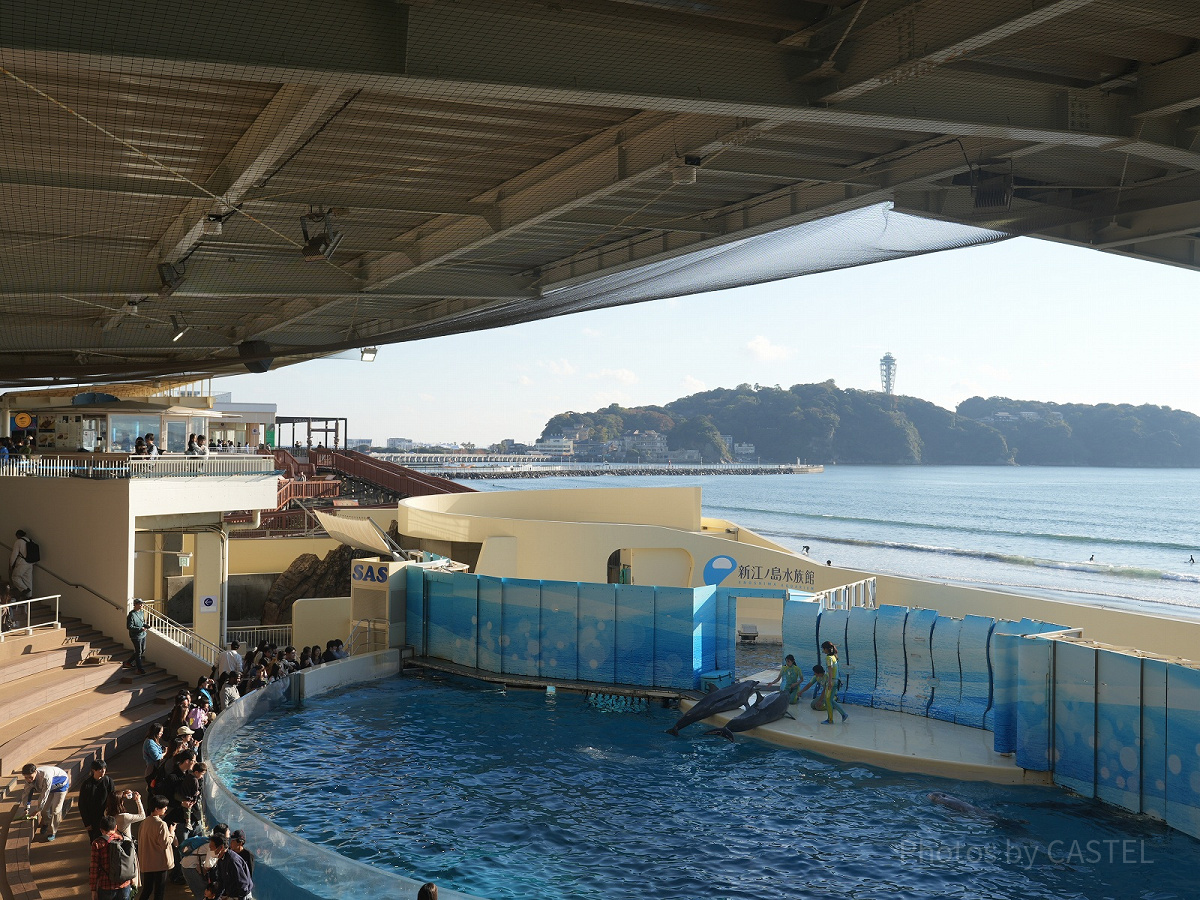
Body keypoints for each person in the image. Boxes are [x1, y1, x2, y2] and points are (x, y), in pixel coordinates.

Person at [137, 796, 175, 900]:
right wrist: (171, 833)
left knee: (147, 889)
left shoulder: (144, 822)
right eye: (164, 807)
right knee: (159, 891)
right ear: (157, 809)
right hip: (159, 863)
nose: (166, 809)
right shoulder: (161, 824)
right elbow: (165, 844)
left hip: (147, 862)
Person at [89, 815, 135, 900]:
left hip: (106, 885)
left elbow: (94, 868)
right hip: (124, 884)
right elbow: (130, 861)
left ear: (101, 830)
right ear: (116, 827)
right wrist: (131, 879)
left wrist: (93, 890)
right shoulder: (124, 840)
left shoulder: (97, 844)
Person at [207, 832, 254, 900]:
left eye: (212, 848)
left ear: (221, 847)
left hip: (241, 896)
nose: (210, 850)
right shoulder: (221, 859)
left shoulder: (233, 861)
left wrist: (241, 898)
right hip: (232, 894)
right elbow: (221, 881)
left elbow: (243, 883)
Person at [79, 758, 116, 841]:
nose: (103, 771)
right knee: (95, 841)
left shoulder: (108, 781)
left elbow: (113, 798)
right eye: (100, 769)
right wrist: (87, 823)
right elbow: (82, 804)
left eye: (104, 769)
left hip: (106, 818)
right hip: (93, 819)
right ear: (93, 770)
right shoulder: (87, 785)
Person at [819, 641, 849, 724]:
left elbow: (830, 670)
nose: (823, 650)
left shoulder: (828, 658)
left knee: (827, 700)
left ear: (826, 649)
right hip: (836, 680)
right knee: (831, 700)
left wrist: (829, 682)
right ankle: (843, 714)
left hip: (832, 681)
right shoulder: (834, 656)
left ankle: (830, 720)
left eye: (823, 649)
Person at [124, 598, 149, 675]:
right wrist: (139, 629)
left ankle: (128, 662)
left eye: (142, 604)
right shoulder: (131, 614)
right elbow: (129, 627)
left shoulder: (141, 612)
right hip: (136, 636)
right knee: (138, 652)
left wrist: (145, 626)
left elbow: (142, 622)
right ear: (135, 604)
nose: (142, 605)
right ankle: (139, 669)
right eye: (140, 604)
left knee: (142, 650)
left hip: (143, 635)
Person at [10, 529, 35, 601]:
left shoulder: (19, 542)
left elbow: (14, 554)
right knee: (28, 579)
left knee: (15, 577)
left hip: (22, 562)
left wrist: (11, 564)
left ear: (18, 535)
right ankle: (29, 596)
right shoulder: (31, 541)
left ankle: (24, 589)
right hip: (30, 563)